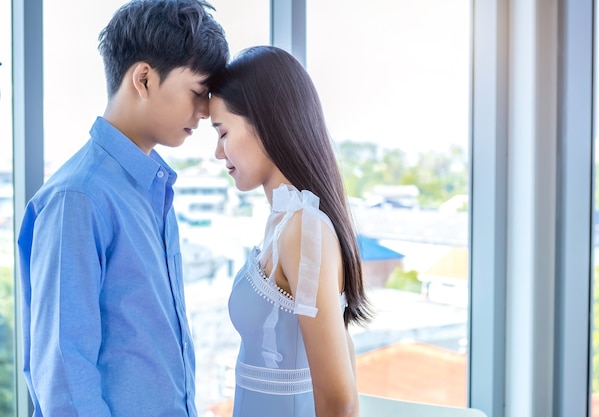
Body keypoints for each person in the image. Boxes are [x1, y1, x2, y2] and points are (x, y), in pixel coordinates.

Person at [16, 1, 228, 416]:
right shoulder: (79, 197)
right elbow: (63, 371)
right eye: (197, 93)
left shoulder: (153, 189)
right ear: (144, 79)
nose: (205, 112)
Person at [208, 45, 374, 417]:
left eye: (222, 132)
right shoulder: (284, 222)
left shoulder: (304, 228)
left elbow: (339, 404)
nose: (218, 153)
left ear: (264, 123)